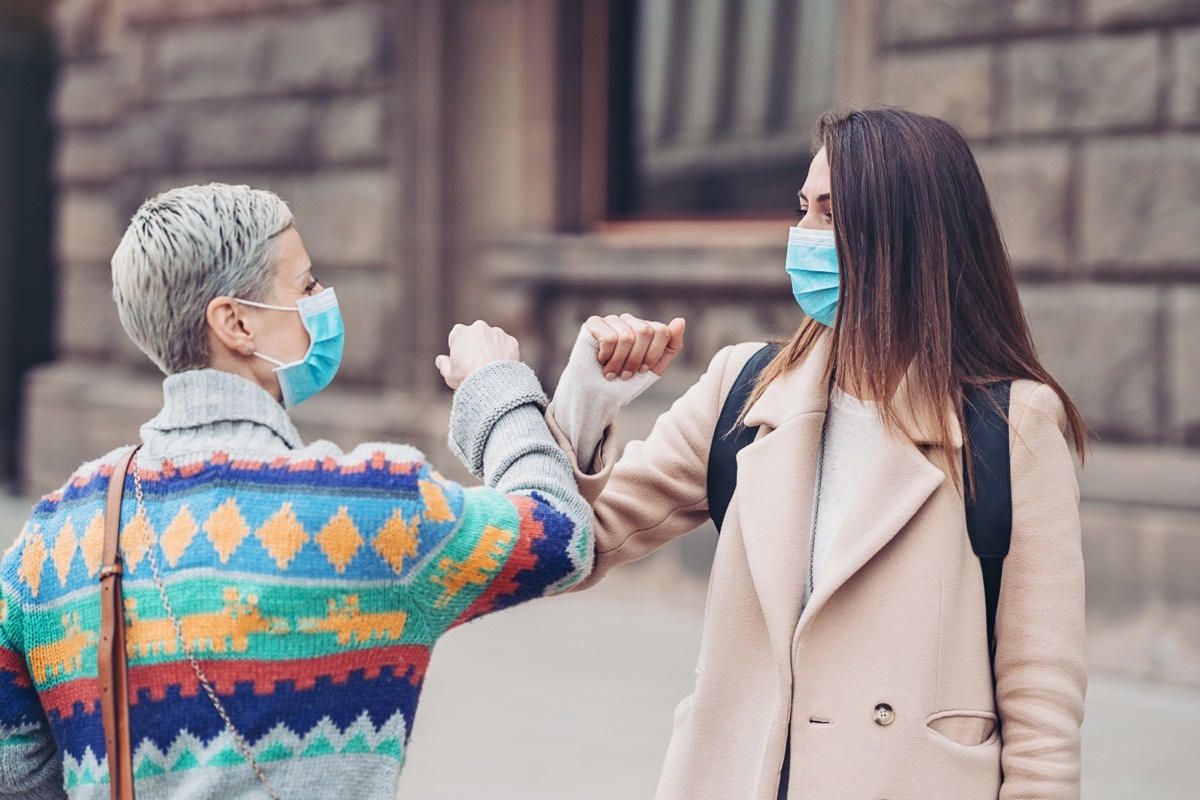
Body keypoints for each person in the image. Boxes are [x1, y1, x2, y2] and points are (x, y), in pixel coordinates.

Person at [545, 107, 1088, 800]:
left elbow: (1041, 706)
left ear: (904, 235)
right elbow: (565, 547)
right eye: (801, 209)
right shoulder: (742, 389)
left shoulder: (1010, 424)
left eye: (829, 215)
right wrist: (587, 402)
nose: (802, 236)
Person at [0, 183, 593, 799]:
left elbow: (18, 774)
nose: (322, 303)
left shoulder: (52, 538)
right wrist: (494, 385)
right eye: (306, 286)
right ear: (235, 323)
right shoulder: (369, 508)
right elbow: (560, 534)